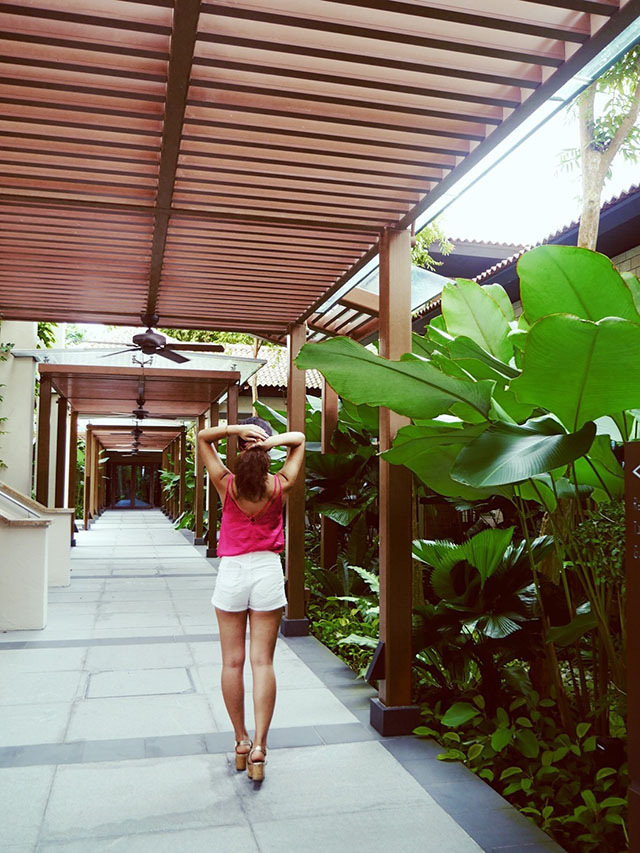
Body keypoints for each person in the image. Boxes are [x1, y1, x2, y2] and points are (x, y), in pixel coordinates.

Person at [197, 416, 305, 781]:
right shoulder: (280, 485)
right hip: (267, 573)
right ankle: (260, 747)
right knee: (263, 663)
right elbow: (299, 439)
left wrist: (233, 432)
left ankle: (240, 741)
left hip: (232, 573)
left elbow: (203, 438)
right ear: (267, 451)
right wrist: (269, 443)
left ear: (240, 448)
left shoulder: (225, 483)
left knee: (232, 663)